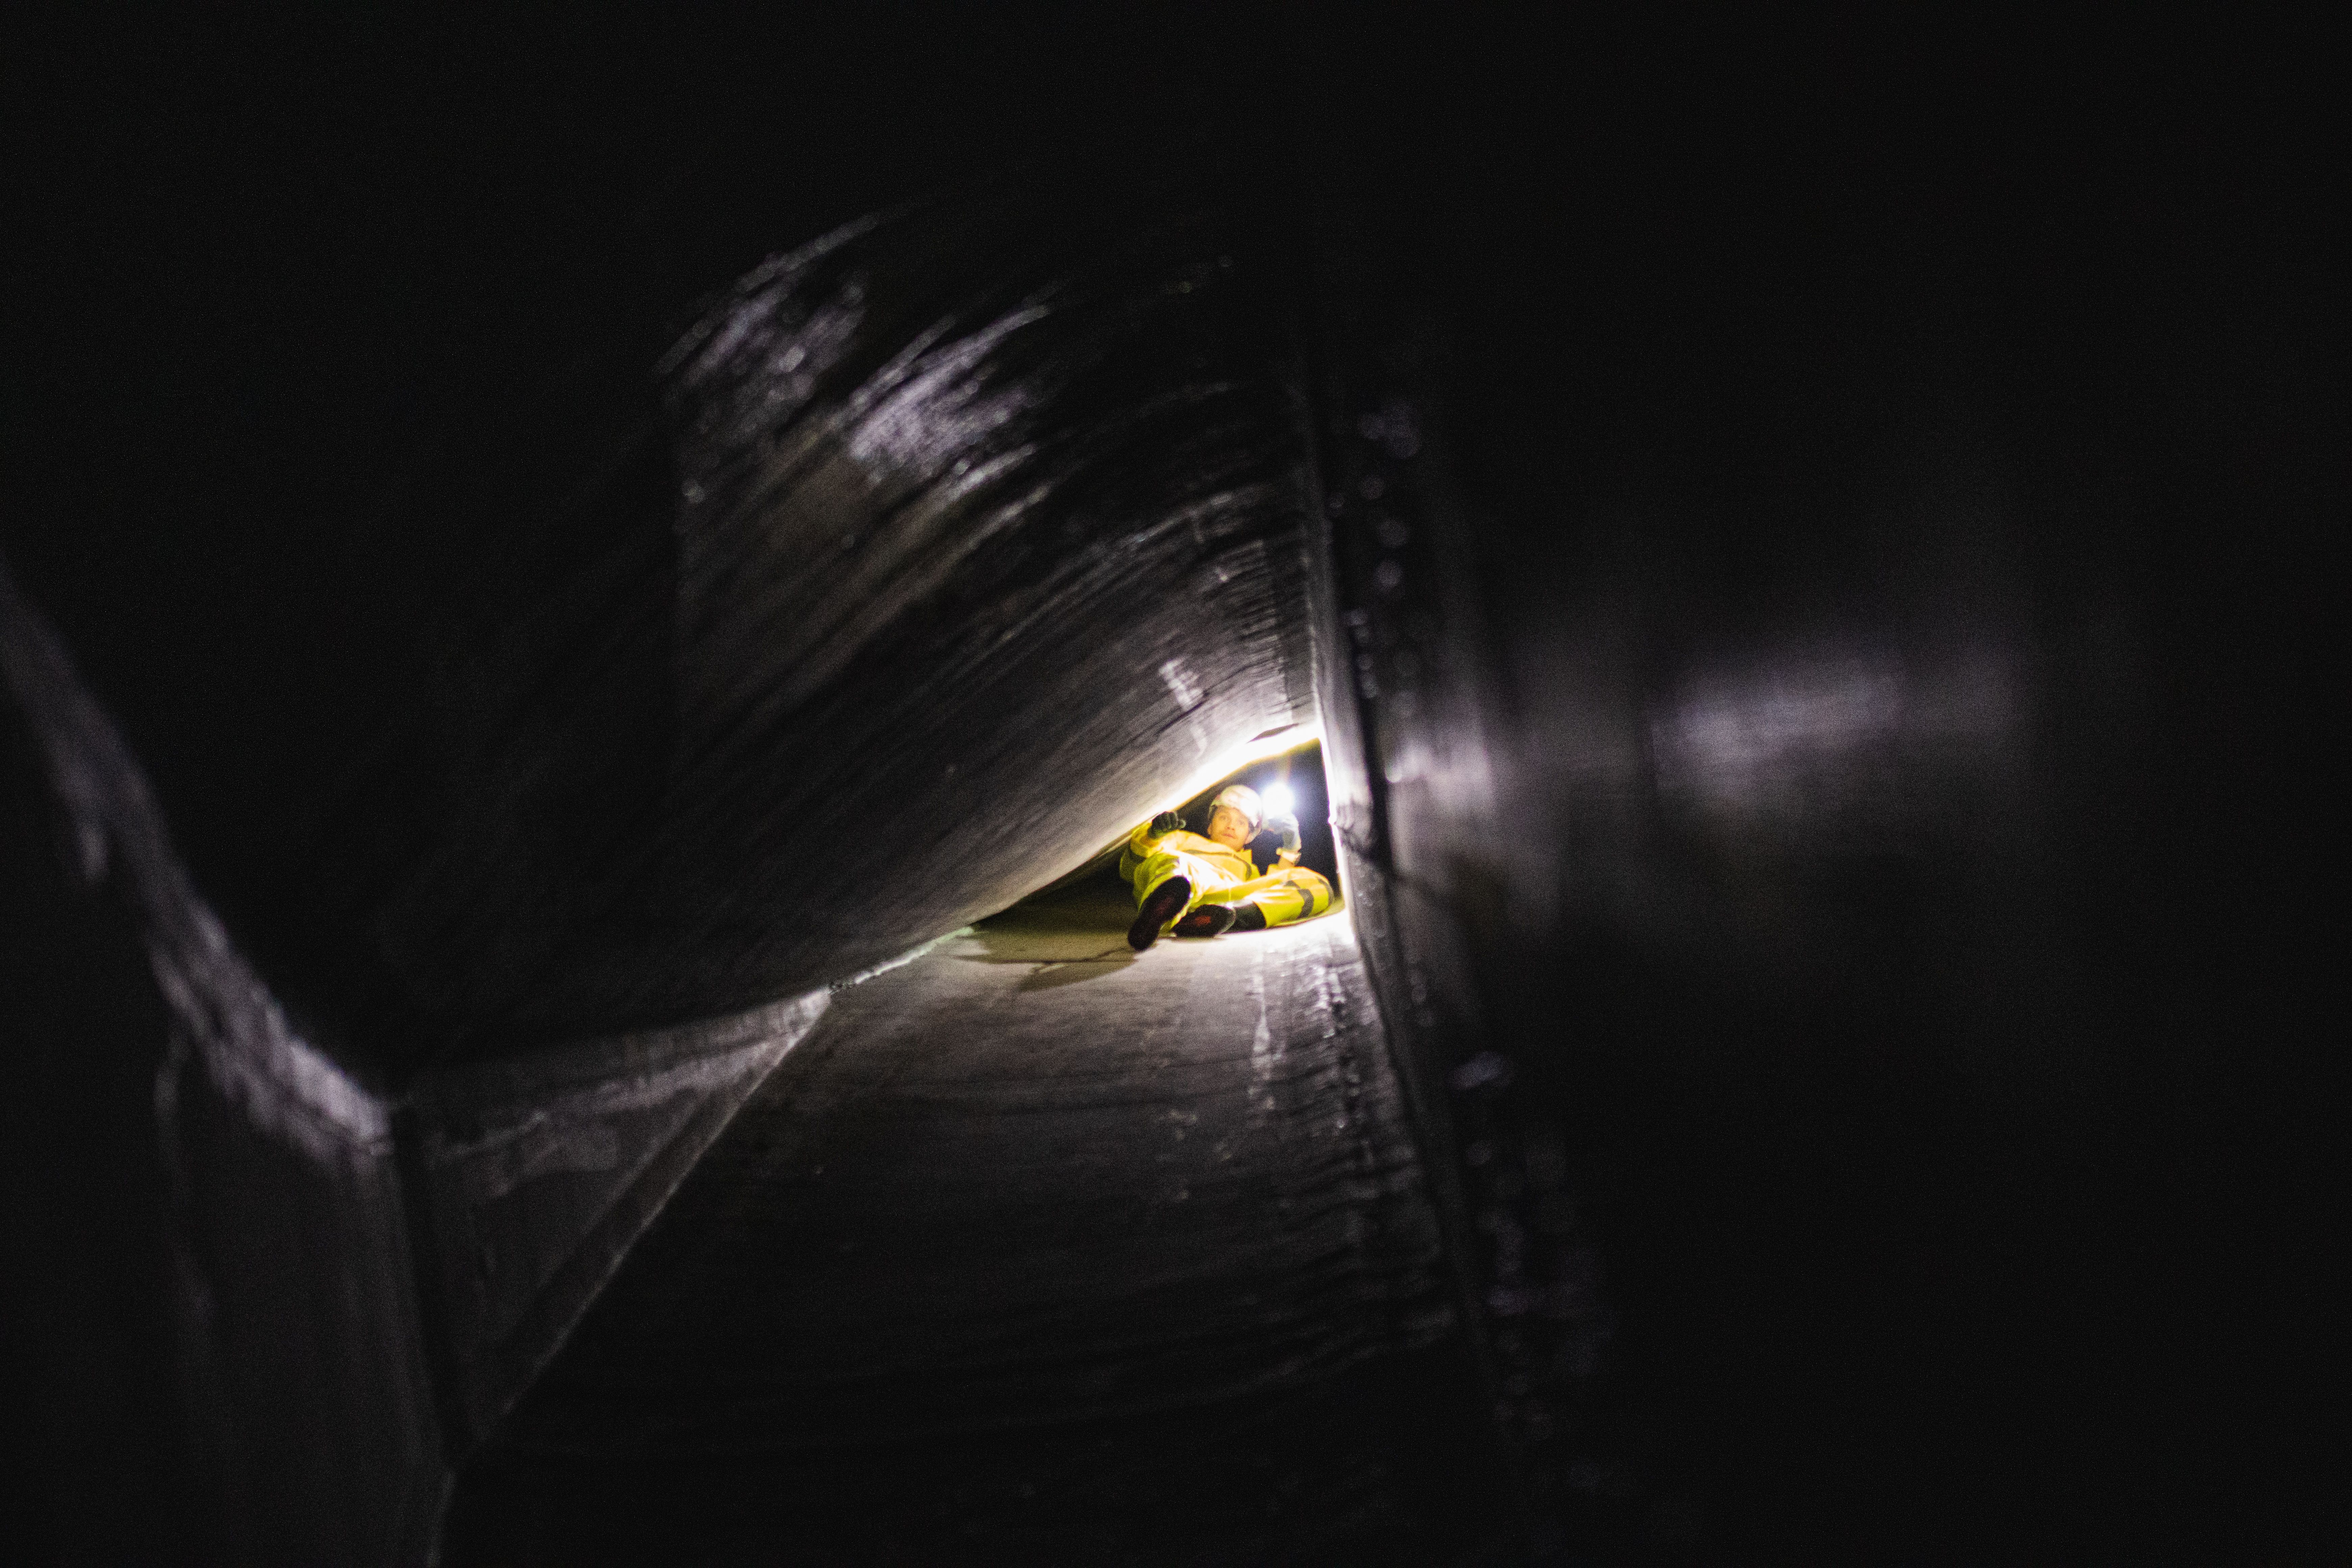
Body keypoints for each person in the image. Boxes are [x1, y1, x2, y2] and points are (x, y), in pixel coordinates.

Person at [1121, 783, 1336, 951]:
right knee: (1174, 862)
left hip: (1222, 901)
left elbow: (1279, 883)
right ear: (1210, 826)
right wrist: (1152, 836)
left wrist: (1291, 846)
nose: (1231, 825)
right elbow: (1130, 870)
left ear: (1249, 836)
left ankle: (1240, 915)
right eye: (1224, 817)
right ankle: (1157, 914)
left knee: (1316, 884)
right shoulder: (1182, 840)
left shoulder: (1249, 869)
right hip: (1180, 883)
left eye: (1241, 822)